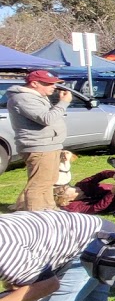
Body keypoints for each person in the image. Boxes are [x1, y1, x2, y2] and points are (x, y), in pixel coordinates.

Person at [8, 70, 73, 211]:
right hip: (39, 146)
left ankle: (49, 210)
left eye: (54, 83)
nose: (54, 86)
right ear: (34, 83)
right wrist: (63, 103)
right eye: (48, 83)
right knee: (38, 184)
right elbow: (46, 119)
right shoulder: (23, 98)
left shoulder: (37, 96)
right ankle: (35, 219)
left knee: (49, 181)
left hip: (50, 145)